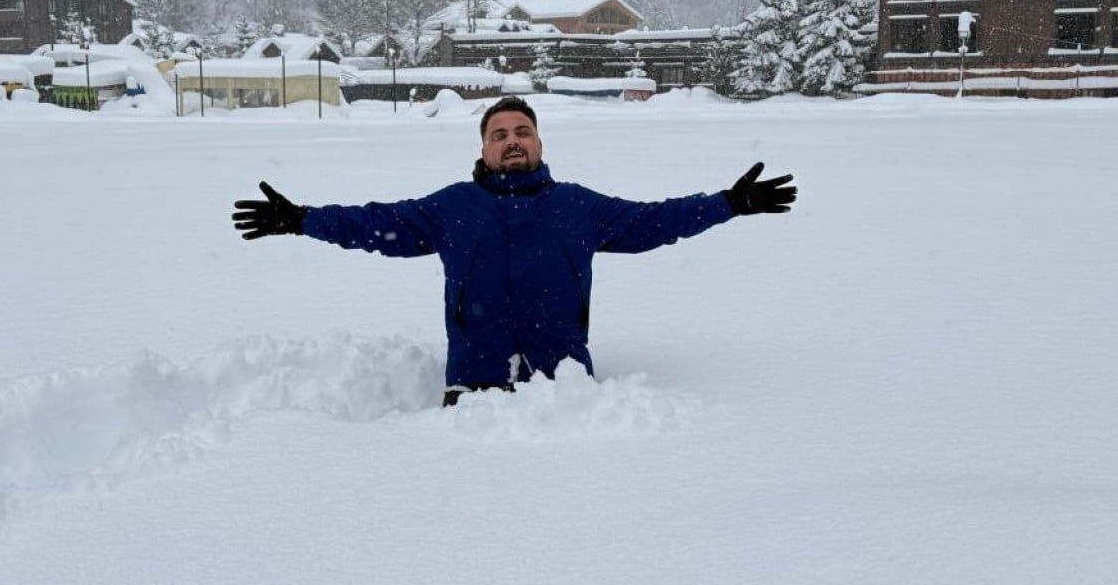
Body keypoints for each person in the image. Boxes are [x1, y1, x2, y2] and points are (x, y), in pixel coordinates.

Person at [232, 96, 796, 406]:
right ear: (483, 147)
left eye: (522, 131)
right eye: (499, 134)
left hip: (565, 394)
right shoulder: (451, 208)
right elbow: (374, 224)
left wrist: (728, 203)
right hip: (471, 391)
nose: (512, 141)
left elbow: (656, 221)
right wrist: (302, 219)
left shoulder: (579, 207)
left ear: (540, 143)